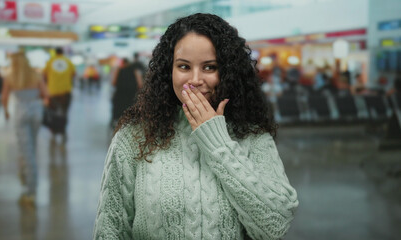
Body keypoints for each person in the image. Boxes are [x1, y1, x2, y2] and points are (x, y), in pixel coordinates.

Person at [94, 13, 298, 240]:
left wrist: (217, 141)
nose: (195, 79)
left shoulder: (252, 136)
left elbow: (275, 226)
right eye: (183, 66)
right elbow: (109, 231)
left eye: (209, 67)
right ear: (168, 70)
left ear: (228, 72)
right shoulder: (134, 137)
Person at [1, 52, 49, 207]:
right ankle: (25, 174)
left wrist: (6, 111)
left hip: (21, 112)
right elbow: (46, 94)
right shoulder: (36, 75)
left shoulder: (10, 77)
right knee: (31, 147)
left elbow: (4, 97)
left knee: (26, 150)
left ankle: (30, 190)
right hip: (36, 112)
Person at [43, 47, 75, 141]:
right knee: (64, 112)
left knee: (52, 112)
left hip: (52, 92)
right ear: (63, 52)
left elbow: (44, 76)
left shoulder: (50, 62)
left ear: (55, 53)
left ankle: (53, 130)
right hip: (65, 92)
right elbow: (73, 74)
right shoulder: (68, 62)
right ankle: (63, 130)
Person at [110, 58, 143, 127]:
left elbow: (113, 83)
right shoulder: (135, 71)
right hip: (131, 96)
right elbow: (140, 84)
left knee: (118, 114)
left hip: (119, 95)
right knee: (131, 116)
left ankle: (117, 126)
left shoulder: (119, 70)